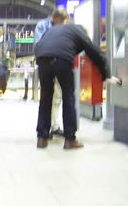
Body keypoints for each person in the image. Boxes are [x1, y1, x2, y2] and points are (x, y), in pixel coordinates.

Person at [34, 12, 121, 149]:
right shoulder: (79, 31)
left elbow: (41, 44)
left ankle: (41, 138)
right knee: (68, 97)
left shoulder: (57, 30)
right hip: (61, 59)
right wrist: (106, 75)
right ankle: (70, 139)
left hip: (42, 58)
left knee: (45, 98)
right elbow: (95, 53)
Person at [34, 8, 68, 137]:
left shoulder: (62, 28)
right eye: (62, 20)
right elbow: (38, 45)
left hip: (60, 64)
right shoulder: (42, 26)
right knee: (47, 98)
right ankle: (44, 129)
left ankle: (54, 125)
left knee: (58, 97)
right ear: (56, 18)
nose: (63, 23)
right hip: (47, 65)